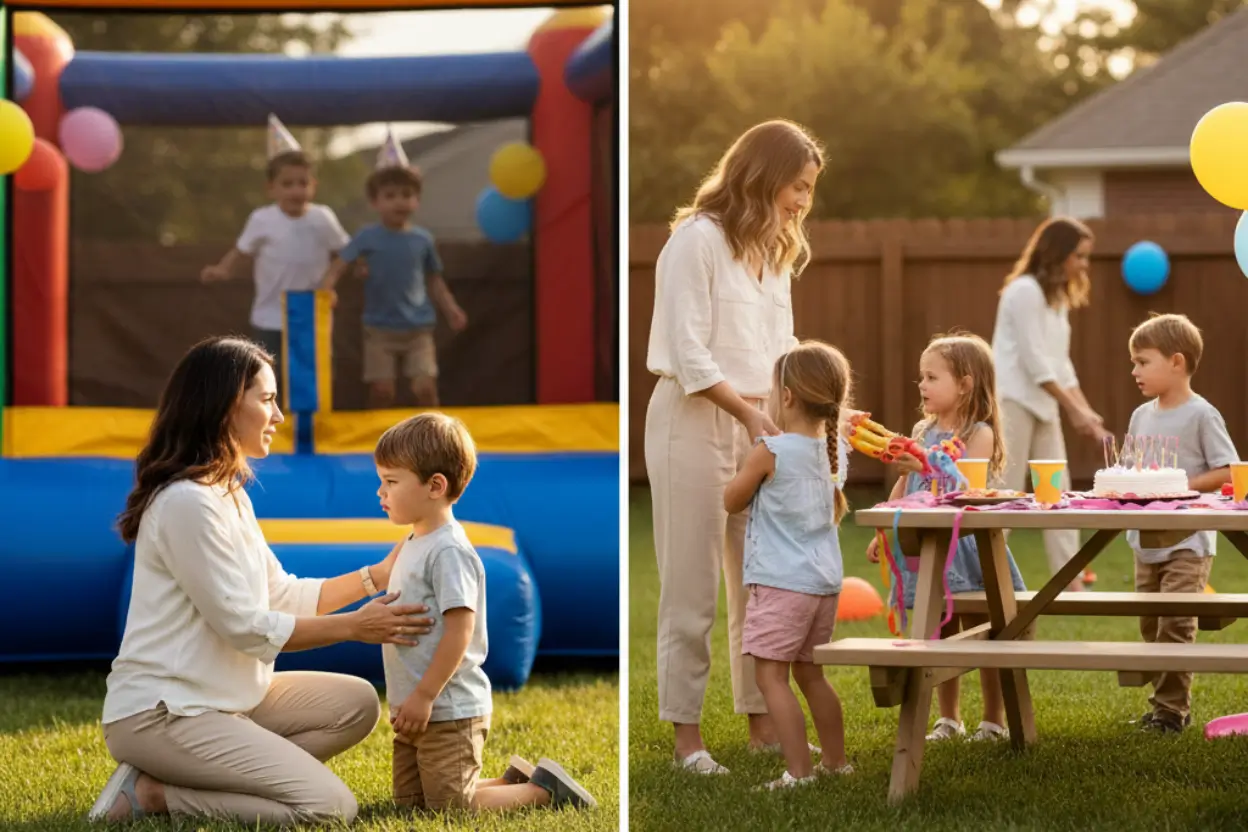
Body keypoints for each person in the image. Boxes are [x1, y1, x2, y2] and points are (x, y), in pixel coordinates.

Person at [89, 336, 437, 826]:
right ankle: (152, 795)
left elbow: (281, 593)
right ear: (230, 403)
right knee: (329, 808)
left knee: (356, 704)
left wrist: (374, 577)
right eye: (269, 400)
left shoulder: (227, 492)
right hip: (163, 714)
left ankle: (198, 773)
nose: (278, 417)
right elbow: (245, 627)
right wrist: (356, 627)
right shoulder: (187, 502)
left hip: (225, 701)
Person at [644, 119, 824, 774]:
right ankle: (687, 740)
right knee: (691, 587)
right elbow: (688, 352)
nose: (802, 202)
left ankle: (760, 722)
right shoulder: (696, 240)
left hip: (759, 426)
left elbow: (780, 354)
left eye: (809, 190)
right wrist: (749, 416)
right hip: (692, 422)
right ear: (762, 174)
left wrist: (802, 415)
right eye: (796, 186)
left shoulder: (775, 255)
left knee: (762, 584)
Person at [376, 413, 597, 811]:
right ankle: (511, 780)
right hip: (411, 706)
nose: (381, 492)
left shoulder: (448, 551)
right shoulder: (413, 540)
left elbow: (461, 631)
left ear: (435, 486)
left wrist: (425, 695)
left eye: (391, 482)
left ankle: (543, 793)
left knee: (449, 807)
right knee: (410, 805)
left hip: (447, 707)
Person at [868, 333, 1027, 742]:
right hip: (931, 546)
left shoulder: (979, 433)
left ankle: (993, 720)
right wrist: (885, 526)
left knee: (986, 631)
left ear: (965, 383)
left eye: (931, 377)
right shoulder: (924, 429)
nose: (921, 385)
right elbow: (906, 484)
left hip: (969, 548)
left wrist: (921, 460)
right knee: (941, 629)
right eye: (921, 377)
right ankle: (949, 718)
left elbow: (960, 485)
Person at [723, 341, 855, 790]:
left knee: (771, 676)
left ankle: (798, 772)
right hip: (824, 585)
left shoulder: (772, 451)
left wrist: (748, 460)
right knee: (811, 673)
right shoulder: (832, 451)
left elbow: (731, 499)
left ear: (787, 398)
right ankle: (836, 762)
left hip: (781, 585)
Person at [1124, 313, 1235, 734]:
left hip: (1188, 540)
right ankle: (1159, 706)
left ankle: (1172, 712)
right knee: (1151, 624)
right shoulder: (1140, 416)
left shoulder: (1201, 415)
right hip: (1145, 540)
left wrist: (1181, 485)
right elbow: (1131, 468)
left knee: (1176, 623)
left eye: (1142, 361)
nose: (1134, 371)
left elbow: (1228, 469)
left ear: (1176, 361)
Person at [992, 217, 1110, 591]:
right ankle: (986, 573)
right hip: (1012, 400)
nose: (1083, 265)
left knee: (1056, 494)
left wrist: (1087, 412)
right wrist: (1075, 412)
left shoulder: (1056, 298)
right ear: (1057, 253)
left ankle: (1071, 581)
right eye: (1079, 256)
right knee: (1005, 493)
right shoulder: (1023, 291)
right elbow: (1034, 362)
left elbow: (1061, 364)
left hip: (1043, 404)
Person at [320, 130, 467, 409]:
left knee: (424, 386)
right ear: (375, 202)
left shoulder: (422, 239)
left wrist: (451, 309)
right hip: (379, 329)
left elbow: (435, 280)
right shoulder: (367, 237)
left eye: (407, 195)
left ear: (417, 200)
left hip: (418, 328)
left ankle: (435, 433)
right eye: (390, 195)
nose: (400, 201)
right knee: (382, 390)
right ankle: (379, 437)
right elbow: (340, 263)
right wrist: (327, 287)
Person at [202, 115, 351, 379]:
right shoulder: (262, 219)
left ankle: (309, 419)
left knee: (310, 369)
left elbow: (346, 251)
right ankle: (271, 418)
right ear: (271, 188)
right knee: (267, 371)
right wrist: (222, 270)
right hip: (270, 312)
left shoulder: (322, 217)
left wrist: (342, 275)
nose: (296, 191)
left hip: (310, 310)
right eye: (287, 184)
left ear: (313, 186)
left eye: (303, 183)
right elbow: (241, 250)